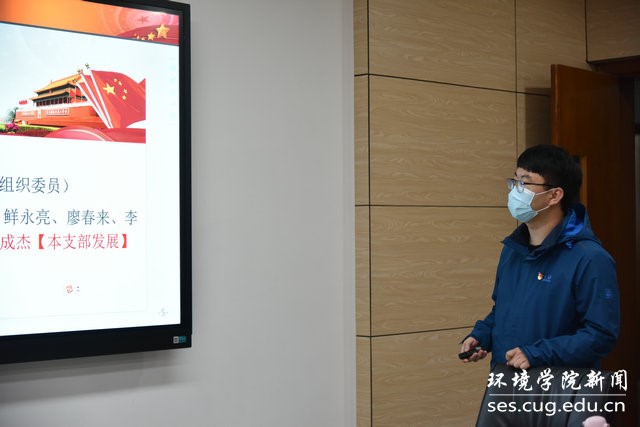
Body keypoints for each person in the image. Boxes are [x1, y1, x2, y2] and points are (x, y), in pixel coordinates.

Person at [460, 144, 620, 370]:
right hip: (507, 381)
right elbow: (503, 310)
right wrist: (482, 335)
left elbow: (601, 335)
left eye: (524, 183)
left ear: (554, 195)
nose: (515, 191)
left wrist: (538, 353)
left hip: (556, 386)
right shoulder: (513, 249)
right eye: (514, 181)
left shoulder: (590, 258)